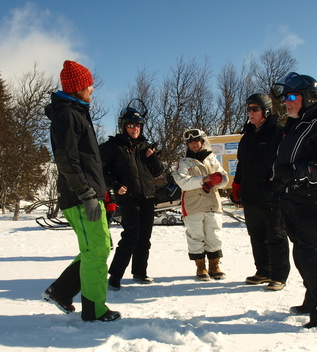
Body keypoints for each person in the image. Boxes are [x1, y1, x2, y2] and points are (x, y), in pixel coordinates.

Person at [42, 60, 120, 322]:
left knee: (98, 247)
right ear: (77, 87)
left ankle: (61, 292)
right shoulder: (67, 115)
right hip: (80, 196)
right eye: (88, 84)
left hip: (89, 194)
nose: (92, 88)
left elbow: (86, 160)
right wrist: (86, 193)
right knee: (96, 251)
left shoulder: (77, 112)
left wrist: (100, 192)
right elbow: (66, 159)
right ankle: (94, 310)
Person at [270, 72, 317, 328]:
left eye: (292, 96)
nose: (287, 102)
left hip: (311, 199)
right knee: (301, 252)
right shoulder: (298, 124)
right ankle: (312, 299)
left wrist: (296, 171)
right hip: (292, 197)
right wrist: (279, 180)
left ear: (309, 97)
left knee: (312, 253)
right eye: (285, 98)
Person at [100, 102, 163, 291]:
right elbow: (101, 171)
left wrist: (152, 157)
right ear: (123, 126)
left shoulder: (145, 147)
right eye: (131, 125)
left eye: (138, 125)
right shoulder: (112, 147)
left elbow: (159, 171)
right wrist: (115, 185)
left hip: (148, 197)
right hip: (128, 197)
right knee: (130, 236)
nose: (135, 129)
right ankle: (115, 276)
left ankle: (140, 272)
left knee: (145, 237)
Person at [231, 93, 290, 291]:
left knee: (276, 236)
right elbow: (241, 165)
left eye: (255, 109)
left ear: (265, 111)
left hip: (272, 196)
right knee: (257, 236)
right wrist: (237, 186)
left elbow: (284, 165)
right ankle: (263, 271)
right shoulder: (247, 136)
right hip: (251, 195)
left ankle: (279, 275)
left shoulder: (279, 132)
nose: (251, 113)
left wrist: (276, 188)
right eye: (248, 109)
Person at [172, 129, 228, 280]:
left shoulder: (212, 159)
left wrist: (219, 180)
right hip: (193, 205)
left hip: (212, 203)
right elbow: (183, 182)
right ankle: (201, 267)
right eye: (190, 142)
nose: (194, 144)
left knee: (214, 235)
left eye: (196, 141)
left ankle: (214, 265)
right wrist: (203, 180)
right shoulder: (183, 162)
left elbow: (224, 178)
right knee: (196, 236)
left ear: (202, 142)